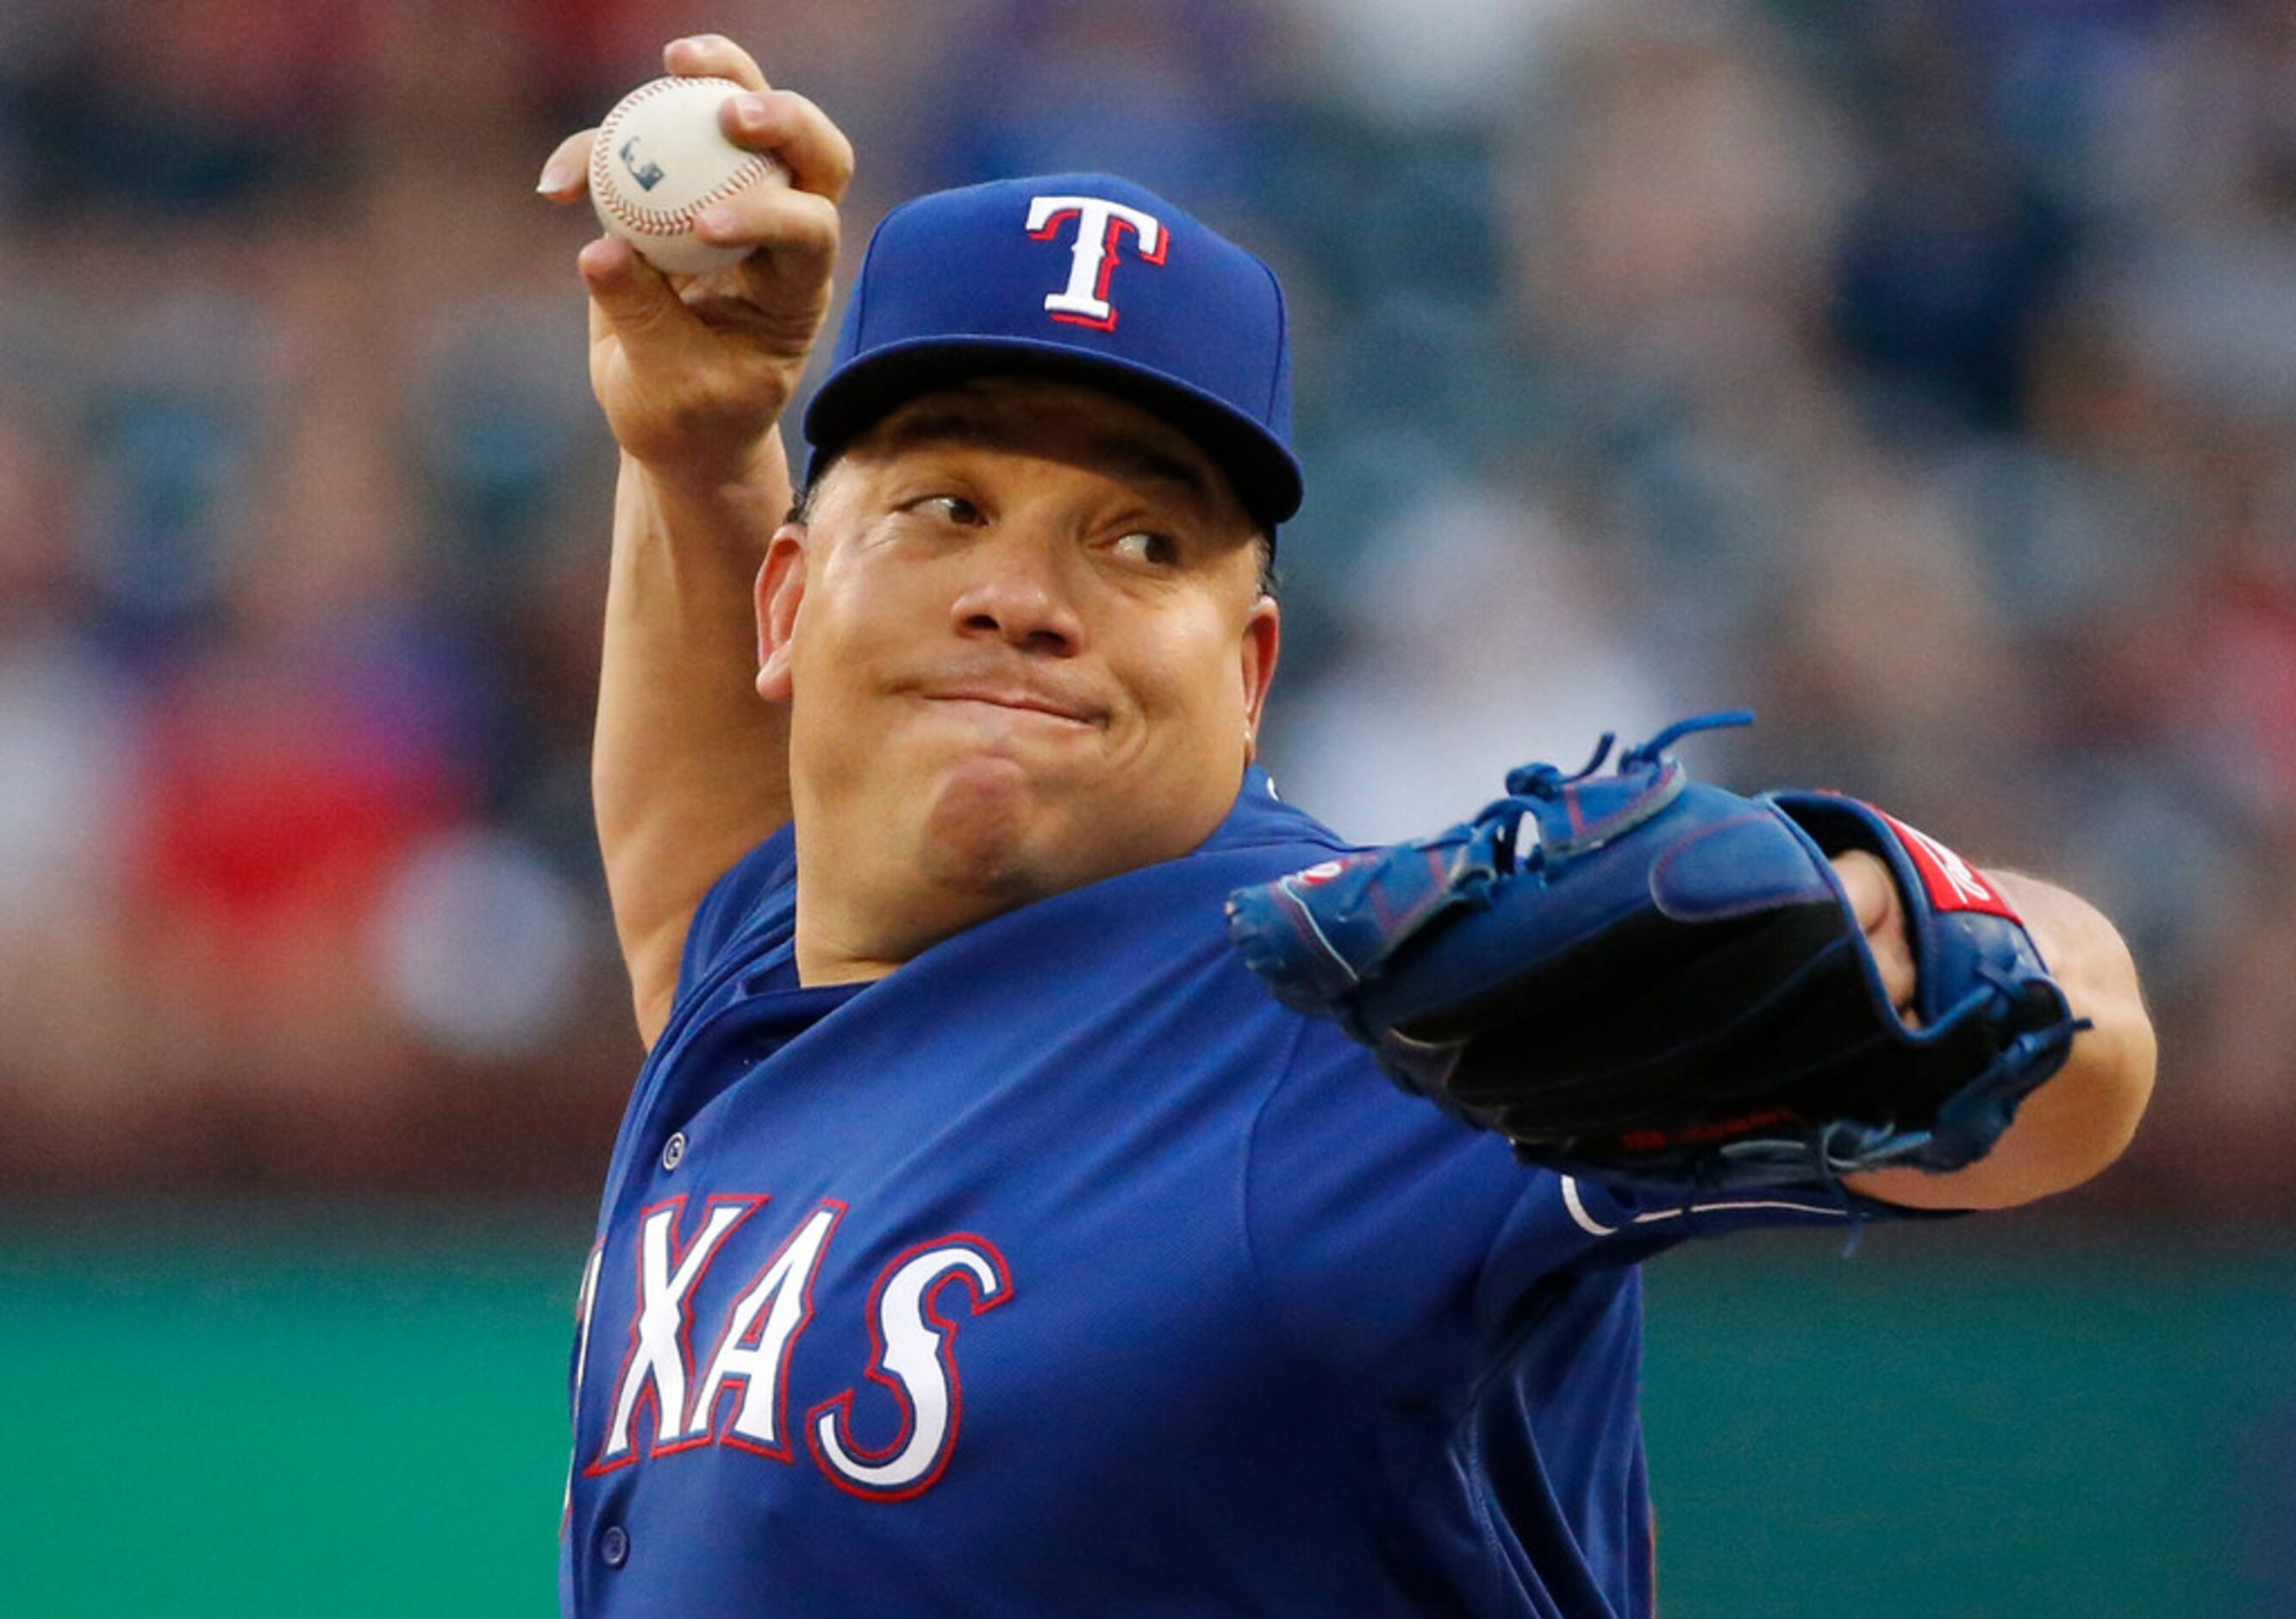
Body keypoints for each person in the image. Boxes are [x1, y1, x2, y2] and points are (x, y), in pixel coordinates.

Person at [538, 36, 2155, 1616]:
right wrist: (694, 450)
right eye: (949, 505)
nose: (1023, 598)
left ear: (1250, 675)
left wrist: (1888, 927)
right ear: (794, 599)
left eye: (1144, 540)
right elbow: (703, 869)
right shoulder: (772, 978)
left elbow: (2069, 1072)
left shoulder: (1339, 1023)